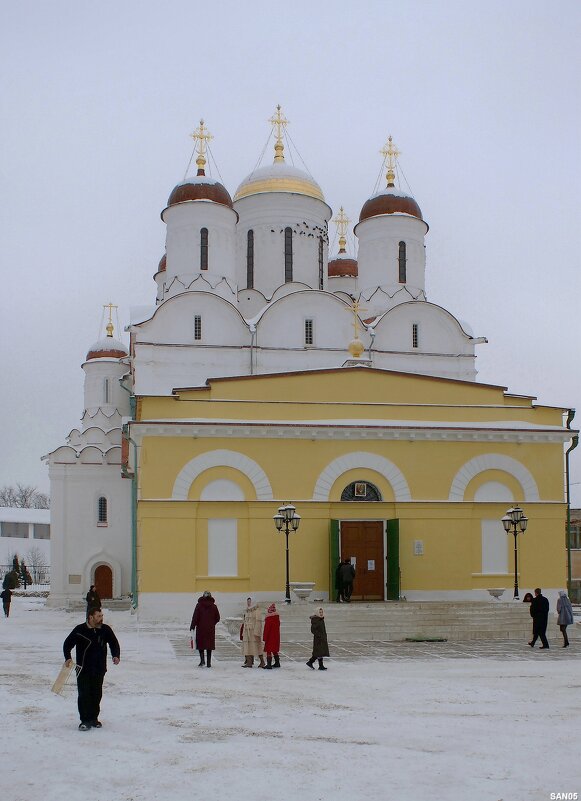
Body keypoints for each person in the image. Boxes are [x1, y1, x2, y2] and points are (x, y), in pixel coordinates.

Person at [63, 606, 120, 730]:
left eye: (102, 616)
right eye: (98, 616)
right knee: (84, 694)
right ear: (90, 617)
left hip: (99, 668)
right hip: (82, 668)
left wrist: (116, 655)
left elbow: (114, 643)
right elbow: (67, 644)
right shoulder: (80, 630)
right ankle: (85, 720)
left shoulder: (105, 629)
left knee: (96, 693)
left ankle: (94, 718)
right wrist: (68, 657)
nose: (101, 618)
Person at [190, 590, 220, 667]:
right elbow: (218, 618)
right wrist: (212, 624)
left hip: (201, 628)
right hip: (210, 629)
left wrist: (192, 626)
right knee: (209, 646)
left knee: (201, 644)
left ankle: (202, 661)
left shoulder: (199, 605)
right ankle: (209, 663)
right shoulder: (214, 606)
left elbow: (195, 617)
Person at [240, 597, 265, 668]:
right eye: (247, 601)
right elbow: (245, 622)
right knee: (247, 647)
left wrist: (257, 632)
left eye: (249, 601)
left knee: (257, 647)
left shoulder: (257, 611)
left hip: (253, 632)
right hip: (247, 632)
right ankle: (249, 662)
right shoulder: (247, 611)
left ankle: (262, 662)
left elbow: (258, 622)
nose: (248, 603)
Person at [262, 602, 281, 668]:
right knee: (274, 650)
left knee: (269, 650)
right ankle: (277, 663)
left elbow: (266, 629)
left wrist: (264, 637)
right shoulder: (277, 618)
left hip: (270, 637)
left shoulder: (269, 619)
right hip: (276, 637)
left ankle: (269, 664)